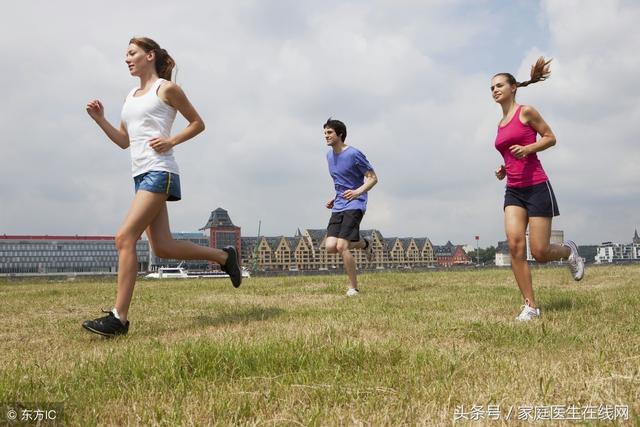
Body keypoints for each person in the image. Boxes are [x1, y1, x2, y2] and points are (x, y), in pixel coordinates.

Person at [83, 37, 241, 337]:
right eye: (126, 54)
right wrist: (100, 119)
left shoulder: (165, 89)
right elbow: (123, 141)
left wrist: (171, 140)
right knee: (163, 247)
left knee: (124, 237)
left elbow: (197, 123)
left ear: (149, 55)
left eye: (132, 53)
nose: (127, 59)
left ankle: (119, 318)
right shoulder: (131, 95)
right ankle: (225, 257)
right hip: (140, 174)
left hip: (160, 171)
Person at [492, 57, 584, 322]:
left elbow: (550, 137)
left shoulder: (526, 112)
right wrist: (504, 169)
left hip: (536, 186)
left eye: (499, 85)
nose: (495, 90)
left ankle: (569, 251)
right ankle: (530, 306)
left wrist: (529, 149)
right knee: (515, 245)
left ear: (513, 88)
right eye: (492, 88)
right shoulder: (499, 125)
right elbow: (512, 155)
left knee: (540, 252)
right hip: (514, 190)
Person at [323, 118, 377, 296]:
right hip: (339, 204)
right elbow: (341, 182)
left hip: (355, 203)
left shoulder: (354, 154)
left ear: (340, 134)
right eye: (325, 133)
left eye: (329, 132)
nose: (326, 136)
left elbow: (372, 178)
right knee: (331, 246)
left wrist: (357, 192)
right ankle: (365, 243)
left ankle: (353, 287)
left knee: (342, 246)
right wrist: (335, 197)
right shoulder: (329, 156)